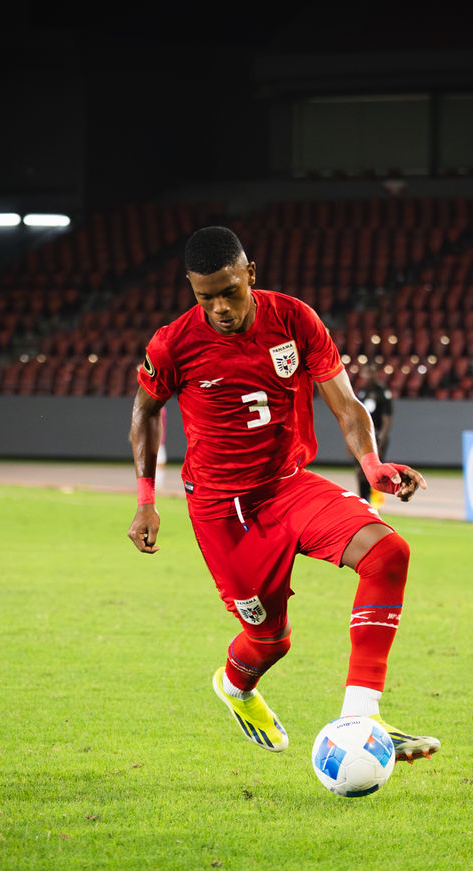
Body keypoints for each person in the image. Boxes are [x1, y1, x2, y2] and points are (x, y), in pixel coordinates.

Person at [127, 226, 440, 763]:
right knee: (270, 641)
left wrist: (372, 464)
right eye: (207, 297)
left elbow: (346, 403)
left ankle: (363, 719)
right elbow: (144, 413)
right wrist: (146, 500)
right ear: (191, 289)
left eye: (230, 290)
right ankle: (235, 688)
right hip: (222, 511)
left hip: (288, 485)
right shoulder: (173, 343)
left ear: (250, 273)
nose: (221, 307)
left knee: (388, 552)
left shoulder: (294, 319)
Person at [354, 362, 393, 507]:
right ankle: (363, 501)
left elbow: (387, 418)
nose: (366, 376)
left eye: (369, 373)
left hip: (375, 436)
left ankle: (375, 502)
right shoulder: (362, 391)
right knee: (360, 470)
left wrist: (382, 439)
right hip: (361, 436)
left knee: (375, 470)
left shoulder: (382, 392)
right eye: (365, 373)